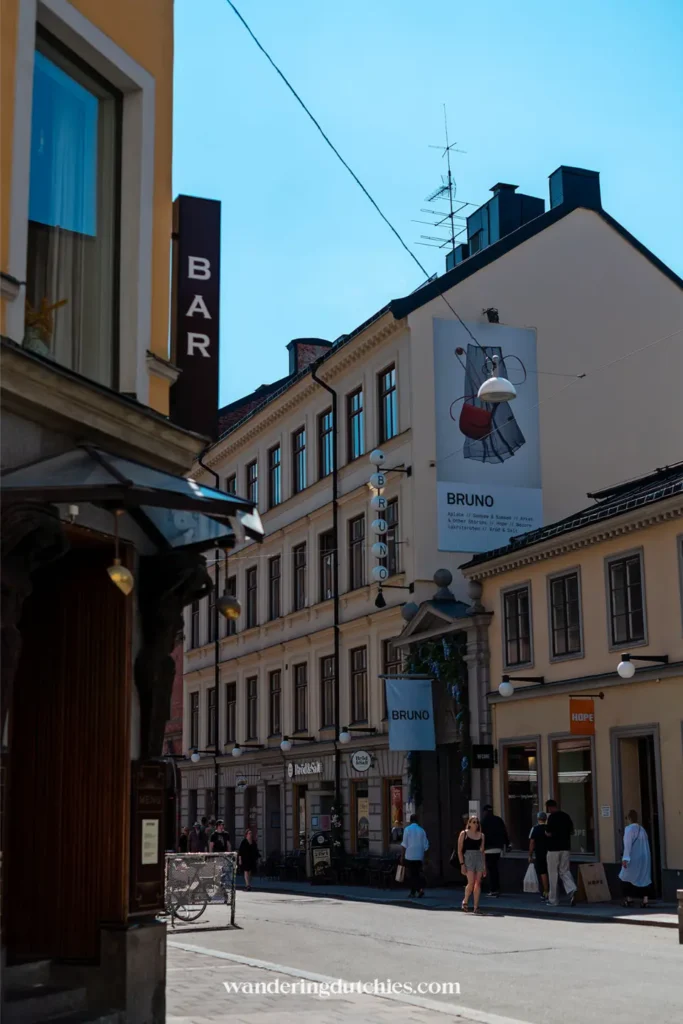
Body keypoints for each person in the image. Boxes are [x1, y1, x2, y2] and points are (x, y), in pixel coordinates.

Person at [545, 799, 577, 907]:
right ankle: (572, 888)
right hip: (565, 847)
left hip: (553, 849)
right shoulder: (566, 816)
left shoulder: (551, 817)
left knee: (553, 874)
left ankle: (553, 900)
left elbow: (548, 833)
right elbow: (572, 831)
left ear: (549, 807)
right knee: (564, 871)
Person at [619, 810, 652, 907]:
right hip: (645, 857)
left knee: (624, 876)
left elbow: (627, 845)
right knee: (644, 877)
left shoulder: (629, 829)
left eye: (626, 818)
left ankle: (628, 899)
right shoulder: (642, 829)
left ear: (629, 818)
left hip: (633, 857)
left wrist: (625, 859)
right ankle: (645, 900)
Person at [457, 814, 486, 914]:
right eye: (473, 822)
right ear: (469, 823)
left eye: (477, 822)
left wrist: (484, 866)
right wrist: (462, 864)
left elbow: (482, 851)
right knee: (471, 882)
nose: (476, 824)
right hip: (468, 858)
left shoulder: (481, 835)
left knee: (478, 883)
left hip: (478, 858)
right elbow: (459, 850)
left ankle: (476, 907)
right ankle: (465, 900)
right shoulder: (464, 834)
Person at [481, 804, 509, 897]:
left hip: (488, 849)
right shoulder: (498, 820)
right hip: (498, 848)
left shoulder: (483, 821)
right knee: (495, 869)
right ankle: (496, 888)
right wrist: (507, 844)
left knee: (491, 869)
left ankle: (493, 889)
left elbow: (481, 835)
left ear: (484, 811)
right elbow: (504, 832)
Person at [400, 814, 429, 898]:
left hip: (409, 855)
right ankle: (417, 890)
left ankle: (415, 891)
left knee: (411, 874)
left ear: (410, 820)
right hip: (419, 855)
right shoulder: (422, 830)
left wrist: (402, 856)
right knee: (417, 873)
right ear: (417, 820)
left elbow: (404, 844)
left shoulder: (407, 830)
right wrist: (426, 857)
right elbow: (426, 845)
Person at [528, 812, 549, 901]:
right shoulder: (548, 828)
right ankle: (553, 892)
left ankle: (546, 892)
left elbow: (532, 842)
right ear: (545, 819)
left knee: (543, 872)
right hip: (550, 852)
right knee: (551, 872)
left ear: (538, 819)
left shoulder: (535, 829)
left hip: (540, 853)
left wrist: (530, 855)